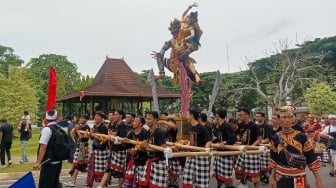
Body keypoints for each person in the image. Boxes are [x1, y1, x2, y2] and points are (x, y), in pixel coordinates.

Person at [269, 106, 323, 188]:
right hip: (280, 177)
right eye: (284, 117)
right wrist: (271, 177)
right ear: (279, 120)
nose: (287, 120)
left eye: (290, 117)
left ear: (293, 119)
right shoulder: (275, 137)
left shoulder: (301, 136)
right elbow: (274, 159)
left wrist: (318, 179)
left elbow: (311, 157)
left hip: (298, 176)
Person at [99, 109, 129, 188]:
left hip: (120, 151)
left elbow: (123, 139)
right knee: (108, 168)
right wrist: (112, 137)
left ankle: (119, 186)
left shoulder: (123, 125)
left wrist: (113, 138)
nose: (114, 116)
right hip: (113, 149)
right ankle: (101, 185)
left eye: (116, 114)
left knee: (120, 172)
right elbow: (113, 135)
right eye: (113, 114)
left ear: (121, 116)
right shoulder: (115, 124)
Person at [182, 109, 212, 188]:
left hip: (201, 157)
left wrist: (204, 150)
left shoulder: (201, 128)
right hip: (193, 156)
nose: (186, 116)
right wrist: (186, 145)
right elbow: (193, 141)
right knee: (187, 176)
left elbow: (209, 141)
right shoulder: (192, 127)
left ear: (192, 116)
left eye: (187, 114)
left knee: (201, 181)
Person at [33, 110, 62, 188]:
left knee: (45, 184)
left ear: (45, 119)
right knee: (55, 183)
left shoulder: (47, 130)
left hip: (48, 162)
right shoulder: (59, 128)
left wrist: (38, 162)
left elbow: (43, 147)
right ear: (57, 118)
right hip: (58, 160)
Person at [234, 108, 262, 188]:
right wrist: (234, 140)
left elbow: (259, 139)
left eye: (240, 115)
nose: (239, 117)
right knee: (240, 171)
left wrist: (251, 147)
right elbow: (239, 135)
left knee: (254, 176)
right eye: (238, 115)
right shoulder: (241, 125)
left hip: (252, 153)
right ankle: (244, 185)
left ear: (247, 115)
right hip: (243, 151)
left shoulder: (254, 126)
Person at [141, 111, 168, 187]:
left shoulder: (159, 132)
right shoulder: (147, 132)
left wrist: (148, 148)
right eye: (146, 119)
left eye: (149, 119)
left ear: (156, 120)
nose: (147, 121)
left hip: (158, 162)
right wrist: (142, 147)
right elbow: (145, 147)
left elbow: (163, 148)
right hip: (149, 162)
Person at [211, 109, 237, 188]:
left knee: (226, 176)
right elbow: (218, 137)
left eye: (216, 115)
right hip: (219, 153)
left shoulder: (226, 126)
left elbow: (233, 138)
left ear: (218, 116)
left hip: (226, 154)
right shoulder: (220, 126)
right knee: (219, 175)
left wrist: (224, 143)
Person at [64, 114, 91, 187]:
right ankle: (87, 180)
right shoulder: (80, 126)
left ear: (86, 119)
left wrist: (77, 130)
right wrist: (75, 131)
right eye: (80, 118)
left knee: (78, 165)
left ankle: (73, 181)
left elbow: (82, 137)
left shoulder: (87, 127)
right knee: (78, 164)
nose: (80, 119)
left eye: (82, 118)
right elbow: (73, 135)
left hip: (83, 147)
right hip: (79, 146)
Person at [123, 116, 149, 188]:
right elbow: (127, 146)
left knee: (140, 183)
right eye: (133, 121)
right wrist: (123, 142)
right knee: (129, 182)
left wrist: (136, 149)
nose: (133, 123)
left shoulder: (145, 134)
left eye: (135, 121)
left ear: (141, 124)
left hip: (142, 162)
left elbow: (146, 148)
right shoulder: (131, 133)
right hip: (133, 161)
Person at [86, 111, 109, 188]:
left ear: (102, 118)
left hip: (102, 151)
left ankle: (103, 185)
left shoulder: (103, 127)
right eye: (95, 116)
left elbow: (103, 140)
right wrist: (91, 134)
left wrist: (93, 135)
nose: (96, 118)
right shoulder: (95, 126)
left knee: (101, 171)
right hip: (95, 150)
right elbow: (92, 138)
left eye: (98, 116)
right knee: (92, 169)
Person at [158, 117, 179, 188]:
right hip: (165, 157)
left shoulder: (174, 131)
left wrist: (163, 121)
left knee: (174, 177)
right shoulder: (163, 132)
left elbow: (174, 126)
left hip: (174, 156)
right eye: (167, 124)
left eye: (170, 123)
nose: (168, 125)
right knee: (166, 177)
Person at [254, 112, 271, 184]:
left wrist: (261, 142)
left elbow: (269, 138)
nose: (257, 118)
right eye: (256, 116)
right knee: (258, 163)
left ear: (263, 117)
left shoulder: (267, 126)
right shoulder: (254, 126)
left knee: (265, 164)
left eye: (258, 116)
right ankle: (262, 176)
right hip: (256, 147)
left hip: (264, 147)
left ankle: (266, 177)